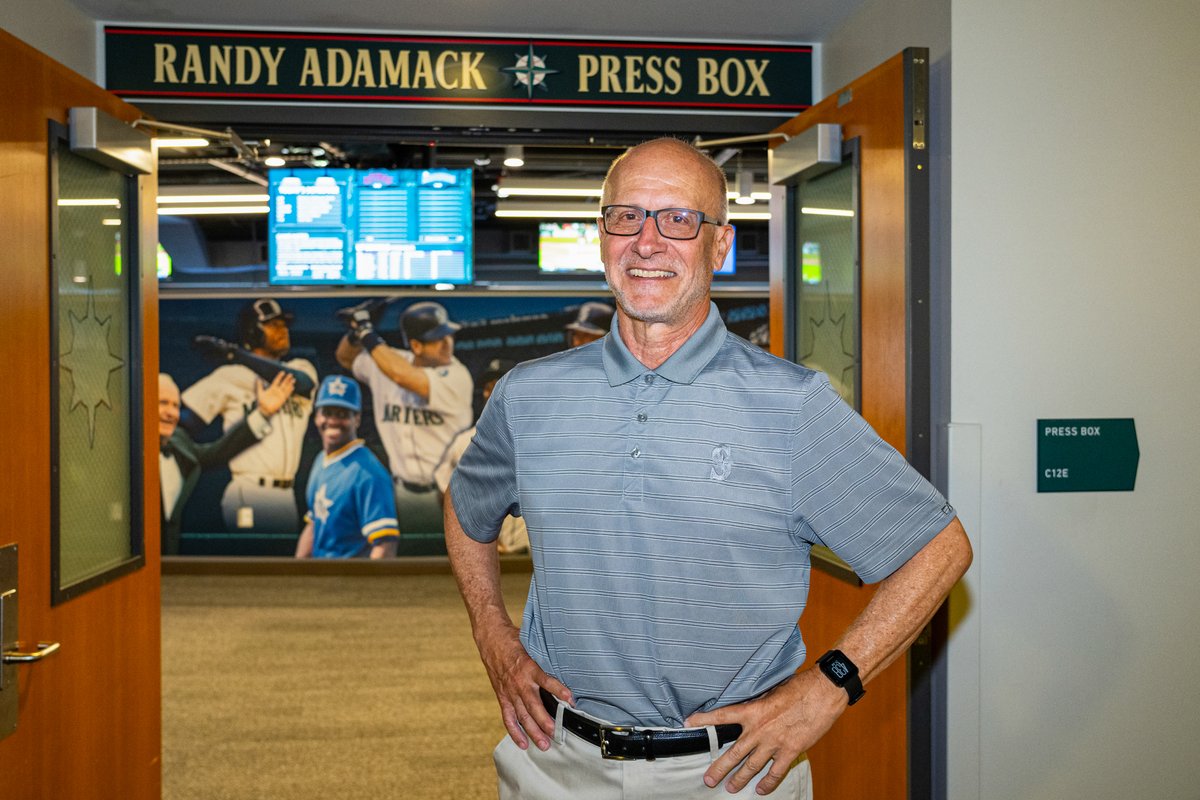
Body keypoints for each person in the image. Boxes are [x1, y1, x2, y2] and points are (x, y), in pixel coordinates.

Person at [444, 138, 973, 799]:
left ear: (719, 246)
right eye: (626, 217)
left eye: (678, 219)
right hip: (554, 762)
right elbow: (466, 509)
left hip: (728, 775)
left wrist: (827, 688)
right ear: (602, 237)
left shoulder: (792, 405)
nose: (647, 242)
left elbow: (939, 550)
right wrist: (492, 633)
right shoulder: (528, 396)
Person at [335, 300, 473, 543]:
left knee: (451, 560)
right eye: (438, 338)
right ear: (416, 346)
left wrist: (366, 330)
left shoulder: (457, 375)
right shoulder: (389, 361)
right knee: (400, 560)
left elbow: (403, 376)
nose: (447, 344)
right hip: (400, 492)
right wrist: (355, 332)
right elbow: (345, 357)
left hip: (449, 494)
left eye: (448, 335)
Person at [182, 298, 318, 535]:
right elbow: (185, 421)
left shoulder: (300, 367)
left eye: (284, 324)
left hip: (287, 494)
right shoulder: (230, 375)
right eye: (273, 325)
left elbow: (302, 383)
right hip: (250, 488)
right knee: (252, 554)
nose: (283, 330)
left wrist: (236, 354)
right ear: (253, 332)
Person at [158, 371, 296, 555]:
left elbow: (218, 452)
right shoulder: (124, 454)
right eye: (163, 403)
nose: (171, 413)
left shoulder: (179, 441)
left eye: (176, 405)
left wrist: (263, 414)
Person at [294, 375, 398, 559]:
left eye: (342, 414)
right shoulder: (321, 460)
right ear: (316, 417)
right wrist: (295, 571)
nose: (333, 420)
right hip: (319, 573)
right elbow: (314, 525)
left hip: (350, 574)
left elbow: (385, 545)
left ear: (357, 419)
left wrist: (369, 579)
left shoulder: (369, 473)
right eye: (327, 412)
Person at [434, 358, 528, 555]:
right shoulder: (464, 442)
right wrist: (481, 538)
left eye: (499, 384)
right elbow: (447, 493)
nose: (491, 392)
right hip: (492, 553)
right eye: (488, 387)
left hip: (535, 552)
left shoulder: (540, 437)